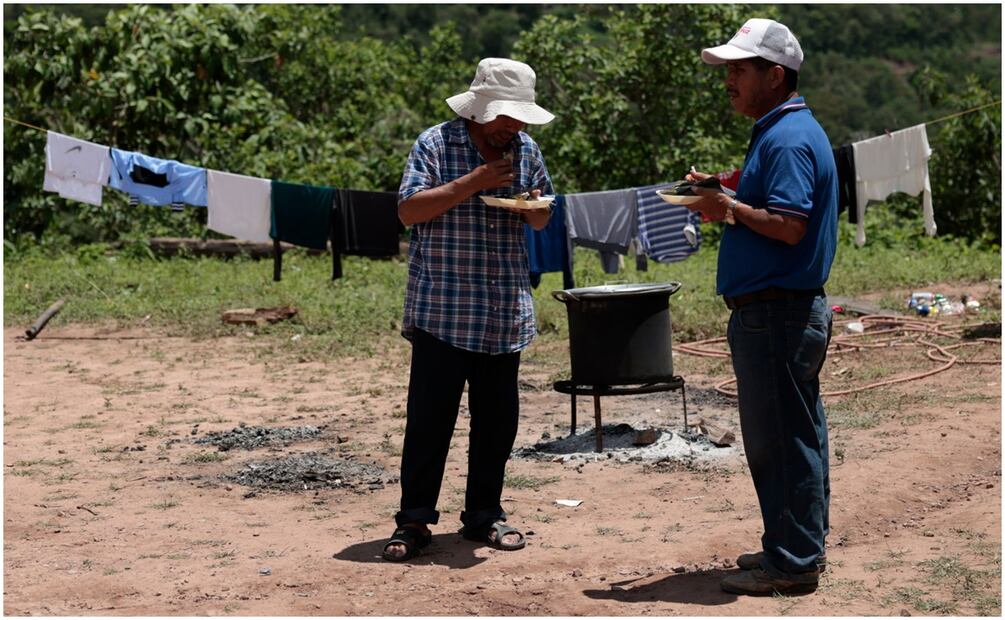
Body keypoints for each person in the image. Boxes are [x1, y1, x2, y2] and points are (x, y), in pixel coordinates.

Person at [684, 18, 837, 595]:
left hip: (777, 313)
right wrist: (723, 187)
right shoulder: (781, 131)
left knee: (780, 440)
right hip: (783, 312)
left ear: (775, 75)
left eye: (739, 69)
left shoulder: (789, 137)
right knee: (797, 432)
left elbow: (789, 225)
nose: (728, 79)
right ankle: (795, 544)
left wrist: (726, 205)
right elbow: (767, 199)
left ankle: (793, 562)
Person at [382, 58, 555, 562]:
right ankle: (414, 520)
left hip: (503, 311)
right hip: (445, 310)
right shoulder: (436, 143)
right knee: (430, 422)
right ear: (479, 109)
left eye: (520, 118)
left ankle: (484, 515)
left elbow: (543, 216)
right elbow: (409, 210)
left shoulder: (526, 149)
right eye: (506, 118)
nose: (514, 128)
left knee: (497, 423)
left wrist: (535, 206)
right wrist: (474, 182)